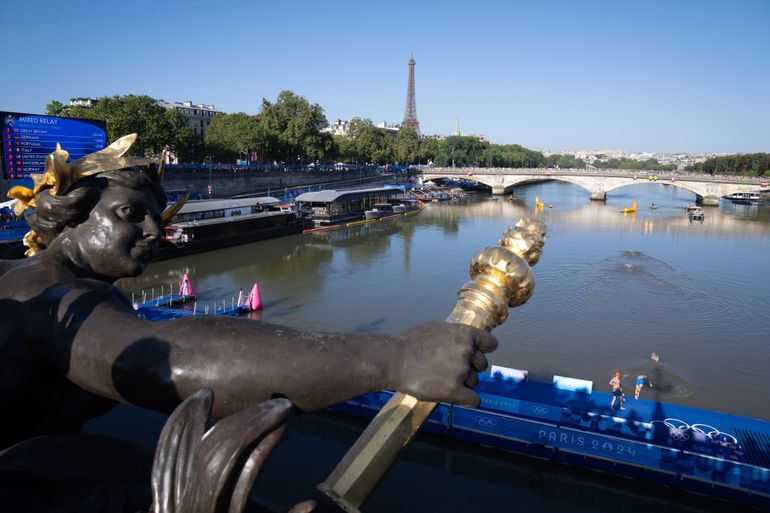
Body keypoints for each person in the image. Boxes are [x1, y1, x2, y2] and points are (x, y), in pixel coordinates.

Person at [0, 136, 497, 507]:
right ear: (70, 216)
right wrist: (395, 357)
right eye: (131, 213)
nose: (154, 231)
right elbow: (166, 357)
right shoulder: (54, 297)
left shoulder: (28, 280)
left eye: (159, 219)